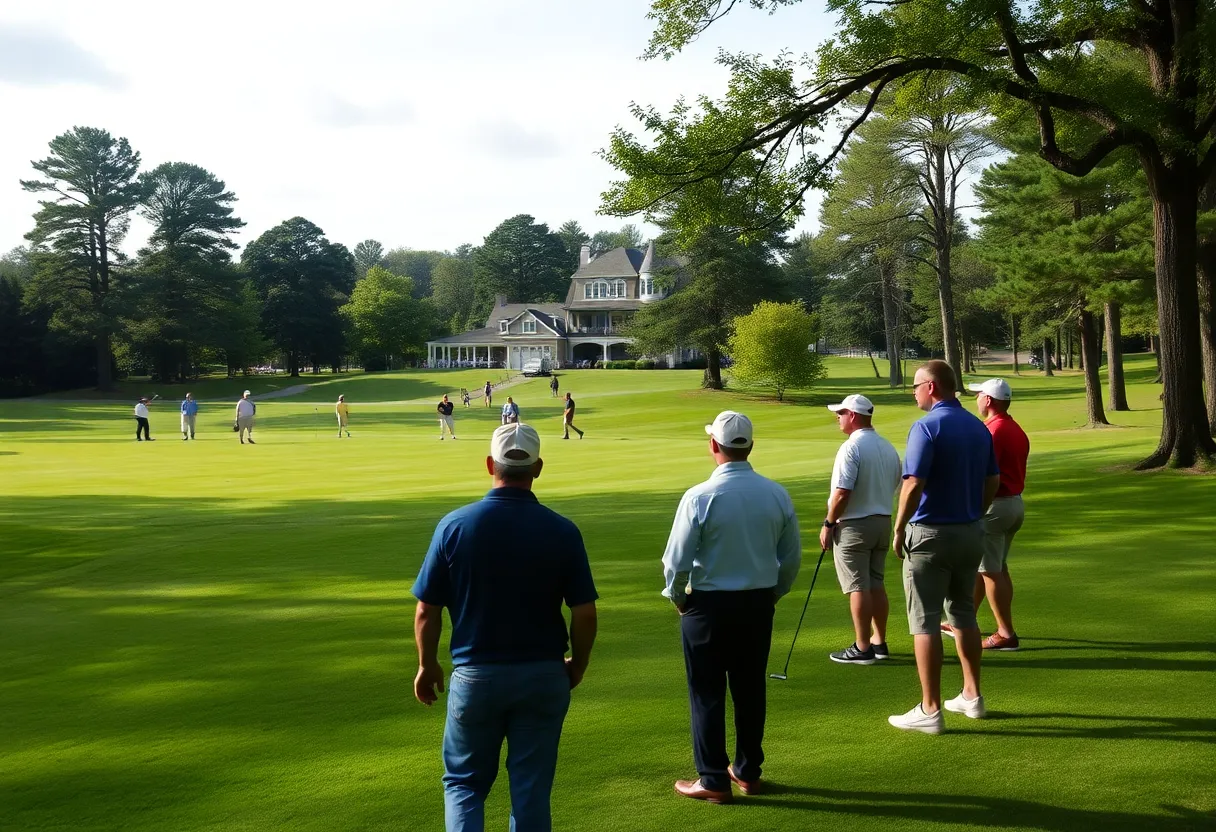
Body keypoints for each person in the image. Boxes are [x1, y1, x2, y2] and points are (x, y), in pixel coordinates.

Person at [412, 422, 598, 831]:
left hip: (476, 676)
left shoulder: (455, 526)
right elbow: (584, 612)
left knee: (464, 784)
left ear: (489, 464)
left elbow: (428, 609)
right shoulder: (563, 530)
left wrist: (427, 665)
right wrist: (578, 664)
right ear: (538, 468)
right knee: (530, 789)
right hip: (543, 675)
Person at [662, 411, 802, 803]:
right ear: (750, 446)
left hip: (707, 605)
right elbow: (790, 559)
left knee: (707, 692)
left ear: (713, 446)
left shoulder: (700, 496)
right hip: (757, 603)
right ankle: (747, 771)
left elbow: (676, 561)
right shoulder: (776, 494)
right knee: (749, 688)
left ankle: (712, 778)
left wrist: (677, 597)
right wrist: (773, 594)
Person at [889, 361, 1000, 734]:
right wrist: (975, 513)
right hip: (970, 533)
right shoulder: (977, 426)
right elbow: (993, 479)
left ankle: (930, 708)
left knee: (924, 620)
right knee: (964, 613)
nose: (914, 392)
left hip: (930, 535)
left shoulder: (926, 426)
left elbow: (913, 483)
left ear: (932, 387)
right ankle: (972, 695)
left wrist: (899, 525)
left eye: (916, 386)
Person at [821, 394, 902, 665]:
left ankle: (862, 646)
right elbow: (896, 486)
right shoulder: (887, 446)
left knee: (857, 586)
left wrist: (828, 523)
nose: (838, 418)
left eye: (841, 413)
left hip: (854, 525)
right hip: (882, 522)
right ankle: (879, 641)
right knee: (875, 584)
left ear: (853, 415)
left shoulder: (850, 448)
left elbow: (843, 492)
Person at [963, 378, 1030, 651]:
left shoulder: (991, 431)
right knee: (995, 568)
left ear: (989, 400)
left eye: (979, 395)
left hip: (995, 506)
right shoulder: (1014, 428)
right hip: (1013, 504)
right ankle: (964, 620)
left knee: (990, 571)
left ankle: (1005, 633)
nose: (976, 399)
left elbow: (978, 472)